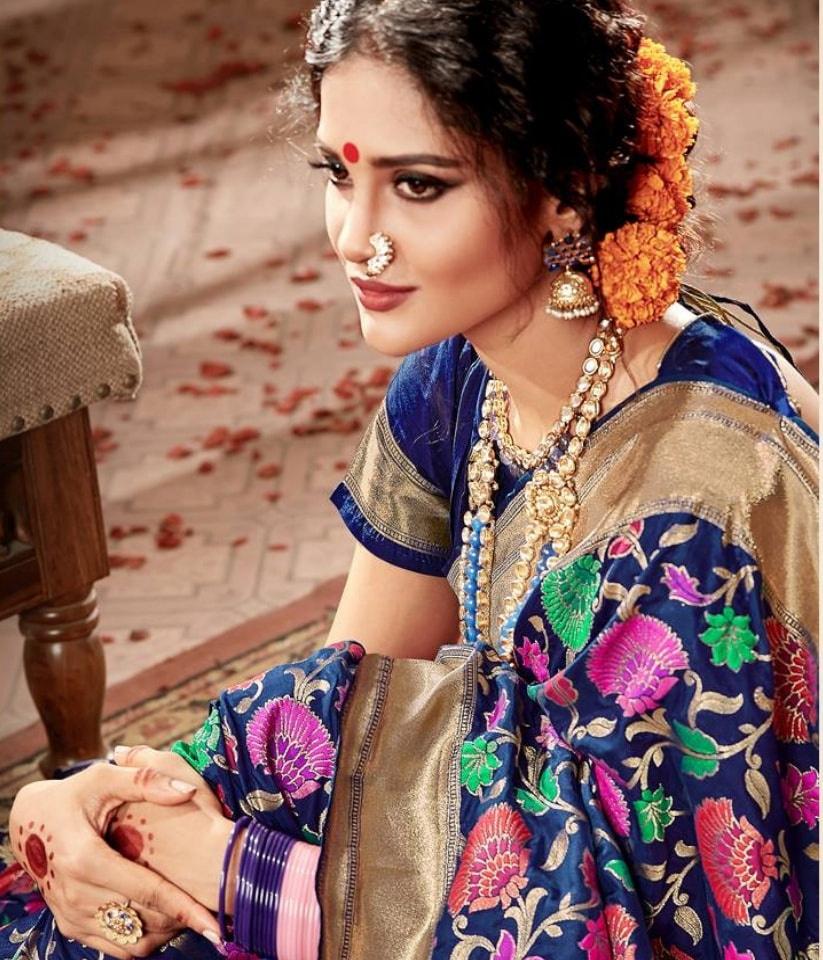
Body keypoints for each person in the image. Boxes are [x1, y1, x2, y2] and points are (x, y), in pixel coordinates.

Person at [1, 0, 819, 957]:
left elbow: (651, 894)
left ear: (566, 187)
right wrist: (93, 797)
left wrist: (233, 871)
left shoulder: (703, 488)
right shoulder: (459, 381)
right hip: (497, 837)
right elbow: (341, 716)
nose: (357, 237)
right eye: (339, 176)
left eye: (418, 186)